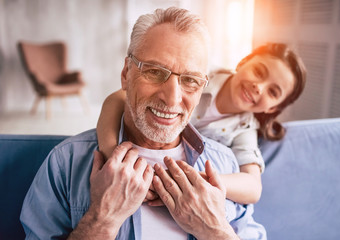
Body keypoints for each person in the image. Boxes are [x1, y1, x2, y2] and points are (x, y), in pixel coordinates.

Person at [20, 7, 266, 240]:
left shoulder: (225, 163)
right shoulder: (66, 163)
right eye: (155, 72)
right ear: (126, 74)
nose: (172, 98)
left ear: (202, 88)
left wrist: (216, 231)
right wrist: (101, 220)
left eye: (190, 80)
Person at [96, 43, 307, 205]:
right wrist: (111, 154)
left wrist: (195, 179)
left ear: (272, 109)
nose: (259, 87)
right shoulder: (200, 73)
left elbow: (253, 188)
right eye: (259, 72)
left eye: (273, 92)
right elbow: (117, 99)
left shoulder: (245, 128)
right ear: (243, 63)